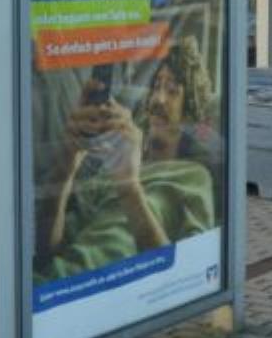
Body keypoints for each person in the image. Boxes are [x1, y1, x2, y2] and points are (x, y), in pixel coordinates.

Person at [34, 37, 218, 283]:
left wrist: (129, 187)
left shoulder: (192, 176)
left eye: (172, 90)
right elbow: (47, 253)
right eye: (156, 86)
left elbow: (187, 273)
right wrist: (66, 162)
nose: (159, 99)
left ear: (189, 110)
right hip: (57, 283)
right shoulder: (105, 172)